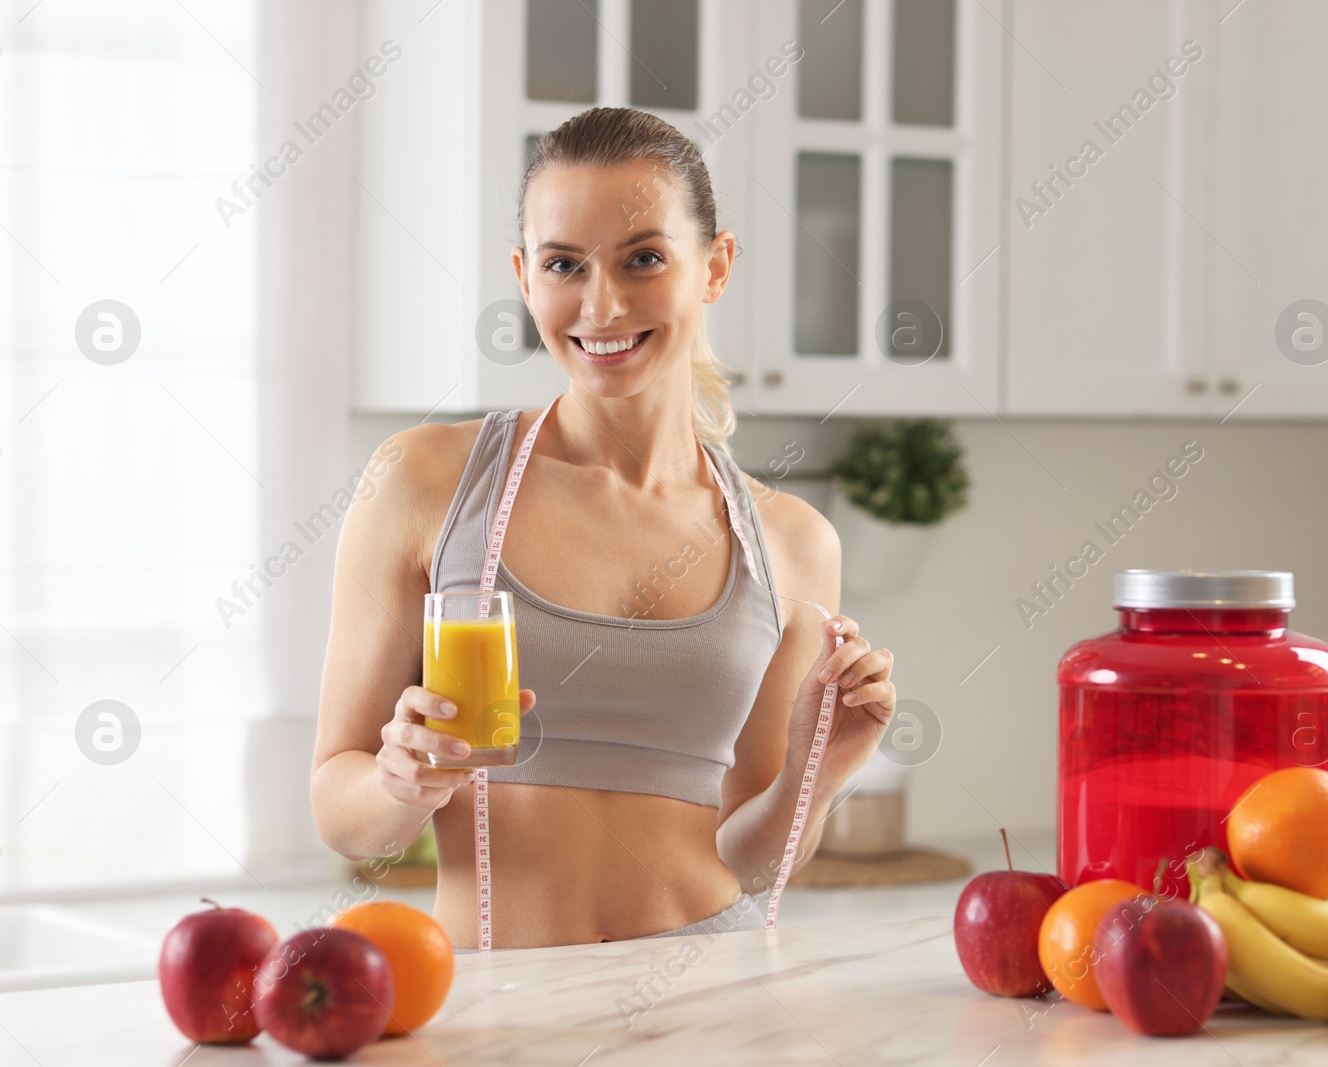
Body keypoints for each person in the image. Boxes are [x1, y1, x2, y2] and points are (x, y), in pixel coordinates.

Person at [311, 106, 897, 951]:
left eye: (645, 258)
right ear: (524, 276)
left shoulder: (793, 542)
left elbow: (751, 855)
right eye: (563, 264)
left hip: (709, 1001)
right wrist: (403, 783)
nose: (602, 304)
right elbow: (341, 809)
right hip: (498, 1009)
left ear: (715, 266)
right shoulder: (424, 483)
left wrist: (823, 769)